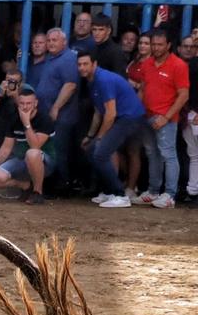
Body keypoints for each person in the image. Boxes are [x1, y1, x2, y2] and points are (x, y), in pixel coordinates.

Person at [76, 49, 148, 207]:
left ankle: (120, 194)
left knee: (100, 153)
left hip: (129, 119)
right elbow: (98, 112)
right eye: (79, 64)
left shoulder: (103, 80)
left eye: (85, 64)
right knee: (90, 150)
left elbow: (110, 114)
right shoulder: (91, 80)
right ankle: (110, 191)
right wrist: (90, 136)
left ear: (94, 64)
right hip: (123, 119)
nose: (82, 67)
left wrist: (100, 137)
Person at [130, 26, 189, 208]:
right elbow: (143, 88)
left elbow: (183, 95)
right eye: (153, 44)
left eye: (159, 45)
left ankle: (170, 194)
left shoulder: (178, 65)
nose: (155, 48)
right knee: (151, 153)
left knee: (168, 154)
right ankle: (154, 191)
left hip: (166, 118)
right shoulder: (147, 64)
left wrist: (167, 116)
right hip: (147, 115)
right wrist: (137, 111)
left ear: (169, 45)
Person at [0, 87, 55, 205]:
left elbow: (35, 145)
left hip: (45, 162)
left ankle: (37, 192)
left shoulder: (44, 119)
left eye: (29, 103)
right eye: (22, 103)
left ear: (35, 103)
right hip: (22, 160)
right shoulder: (14, 118)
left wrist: (26, 123)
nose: (25, 107)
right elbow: (6, 147)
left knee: (32, 153)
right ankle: (25, 186)